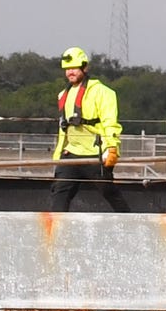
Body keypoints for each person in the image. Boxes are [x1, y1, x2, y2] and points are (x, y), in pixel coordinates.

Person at [48, 48, 126, 212]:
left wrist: (111, 147)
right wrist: (58, 156)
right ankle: (55, 230)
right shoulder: (63, 94)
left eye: (74, 68)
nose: (70, 72)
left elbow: (109, 122)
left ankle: (130, 222)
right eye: (67, 69)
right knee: (60, 192)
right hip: (71, 154)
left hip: (95, 154)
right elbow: (64, 128)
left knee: (108, 191)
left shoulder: (102, 92)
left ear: (85, 68)